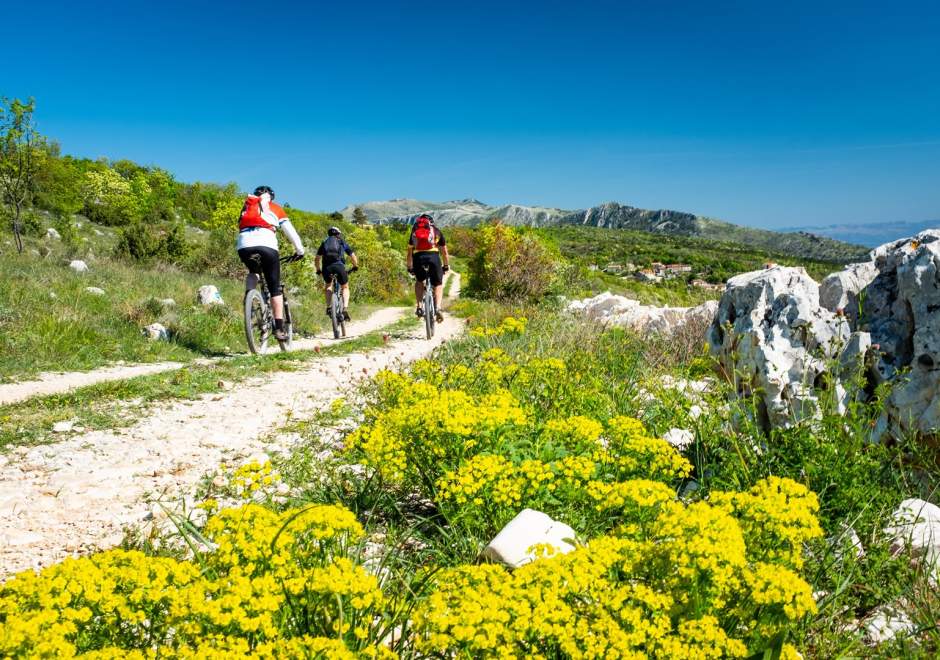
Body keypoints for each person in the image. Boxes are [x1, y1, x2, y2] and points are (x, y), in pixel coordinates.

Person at [236, 185, 305, 342]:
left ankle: (249, 299)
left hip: (244, 246)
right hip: (267, 246)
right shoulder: (275, 208)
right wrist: (300, 250)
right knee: (275, 288)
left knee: (253, 272)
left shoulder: (246, 208)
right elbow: (290, 232)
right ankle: (279, 328)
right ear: (271, 197)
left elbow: (241, 226)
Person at [406, 213, 449, 322]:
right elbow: (444, 252)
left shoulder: (414, 231)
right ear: (431, 222)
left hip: (418, 258)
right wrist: (445, 266)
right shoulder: (436, 231)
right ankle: (438, 307)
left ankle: (419, 307)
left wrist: (410, 267)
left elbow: (409, 253)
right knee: (438, 284)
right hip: (433, 258)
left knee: (419, 281)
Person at [315, 226, 359, 320]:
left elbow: (317, 258)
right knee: (345, 287)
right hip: (339, 267)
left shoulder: (324, 243)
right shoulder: (341, 242)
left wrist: (318, 270)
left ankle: (328, 307)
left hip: (327, 268)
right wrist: (355, 266)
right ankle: (345, 309)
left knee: (328, 285)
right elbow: (353, 256)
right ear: (338, 234)